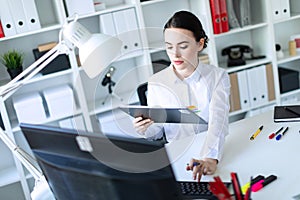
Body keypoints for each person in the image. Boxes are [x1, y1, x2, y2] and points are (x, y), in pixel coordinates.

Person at [133, 10, 230, 182]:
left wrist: (210, 158)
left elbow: (219, 121)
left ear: (200, 44)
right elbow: (157, 132)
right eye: (169, 47)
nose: (175, 55)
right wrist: (145, 128)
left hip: (209, 151)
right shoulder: (157, 82)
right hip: (176, 158)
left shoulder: (218, 77)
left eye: (183, 46)